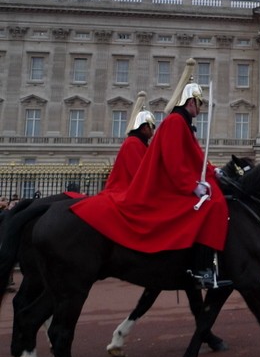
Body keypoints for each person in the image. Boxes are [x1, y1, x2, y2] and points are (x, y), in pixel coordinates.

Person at [71, 82, 231, 288]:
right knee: (212, 203)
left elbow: (196, 158)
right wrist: (191, 186)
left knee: (213, 198)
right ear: (191, 102)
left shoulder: (182, 123)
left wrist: (213, 170)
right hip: (163, 185)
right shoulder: (173, 123)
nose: (200, 108)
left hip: (176, 182)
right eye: (199, 103)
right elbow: (172, 163)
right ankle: (200, 268)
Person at [103, 108, 156, 194]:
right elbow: (139, 173)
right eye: (152, 128)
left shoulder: (141, 143)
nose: (153, 133)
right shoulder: (132, 143)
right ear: (145, 128)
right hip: (123, 190)